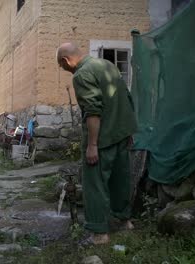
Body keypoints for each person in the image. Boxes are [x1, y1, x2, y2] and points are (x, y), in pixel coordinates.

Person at [56, 43, 137, 245]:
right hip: (120, 134)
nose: (63, 69)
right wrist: (128, 131)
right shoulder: (108, 65)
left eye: (61, 65)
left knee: (95, 185)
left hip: (102, 140)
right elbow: (126, 97)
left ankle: (100, 233)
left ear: (66, 61)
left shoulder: (81, 75)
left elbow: (92, 111)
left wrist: (92, 145)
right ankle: (125, 222)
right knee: (121, 180)